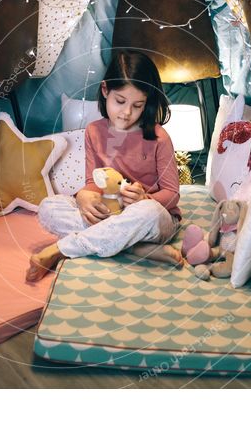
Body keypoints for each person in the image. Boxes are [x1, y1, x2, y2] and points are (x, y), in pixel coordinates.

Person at [26, 50, 183, 282]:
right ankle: (133, 248)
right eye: (120, 101)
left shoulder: (159, 138)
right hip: (113, 215)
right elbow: (93, 182)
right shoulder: (94, 131)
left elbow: (172, 195)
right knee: (49, 207)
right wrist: (83, 198)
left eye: (138, 105)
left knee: (147, 213)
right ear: (105, 90)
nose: (127, 112)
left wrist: (145, 200)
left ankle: (62, 249)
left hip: (152, 221)